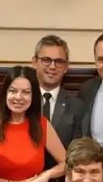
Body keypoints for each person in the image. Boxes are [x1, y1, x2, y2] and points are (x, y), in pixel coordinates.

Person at [32, 34, 85, 172]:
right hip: (24, 178)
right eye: (46, 60)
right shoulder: (23, 101)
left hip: (62, 179)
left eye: (59, 62)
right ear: (34, 62)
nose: (52, 66)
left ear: (66, 67)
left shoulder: (77, 106)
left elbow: (77, 153)